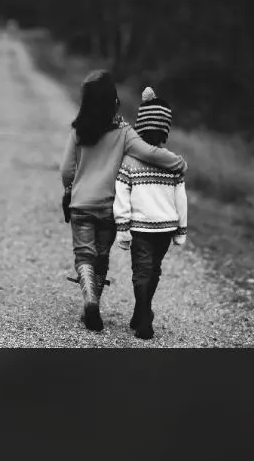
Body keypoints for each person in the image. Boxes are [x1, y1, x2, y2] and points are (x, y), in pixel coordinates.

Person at [60, 71, 187, 333]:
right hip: (108, 207)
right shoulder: (124, 132)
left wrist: (70, 188)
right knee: (101, 257)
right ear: (113, 102)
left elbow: (66, 170)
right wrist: (178, 163)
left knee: (84, 254)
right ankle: (94, 300)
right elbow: (150, 153)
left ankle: (90, 300)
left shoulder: (78, 131)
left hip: (81, 205)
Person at [113, 87, 187, 340]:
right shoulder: (172, 162)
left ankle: (143, 314)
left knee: (142, 271)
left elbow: (121, 195)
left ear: (139, 127)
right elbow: (181, 199)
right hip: (165, 228)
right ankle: (142, 312)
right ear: (165, 129)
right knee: (154, 270)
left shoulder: (129, 161)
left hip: (140, 228)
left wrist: (122, 228)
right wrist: (181, 229)